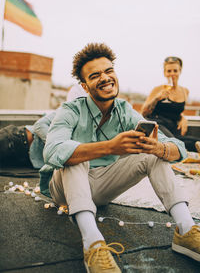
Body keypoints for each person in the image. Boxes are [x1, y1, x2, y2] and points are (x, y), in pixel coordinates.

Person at [42, 43, 200, 273]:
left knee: (152, 154)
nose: (105, 78)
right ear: (85, 86)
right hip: (63, 191)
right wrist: (109, 147)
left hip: (101, 187)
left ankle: (186, 230)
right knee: (74, 155)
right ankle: (93, 244)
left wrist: (157, 148)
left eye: (109, 71)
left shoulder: (123, 110)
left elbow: (177, 148)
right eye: (96, 75)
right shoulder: (70, 110)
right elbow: (52, 151)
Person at [0, 84, 87, 170]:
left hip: (27, 159)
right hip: (18, 141)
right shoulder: (71, 111)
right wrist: (56, 146)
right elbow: (40, 125)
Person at [141, 56, 200, 152]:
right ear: (164, 73)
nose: (172, 74)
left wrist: (182, 117)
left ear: (180, 71)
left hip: (173, 128)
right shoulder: (158, 89)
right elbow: (143, 113)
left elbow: (175, 109)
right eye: (169, 71)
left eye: (175, 71)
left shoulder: (185, 91)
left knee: (192, 140)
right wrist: (156, 99)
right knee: (174, 143)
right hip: (158, 124)